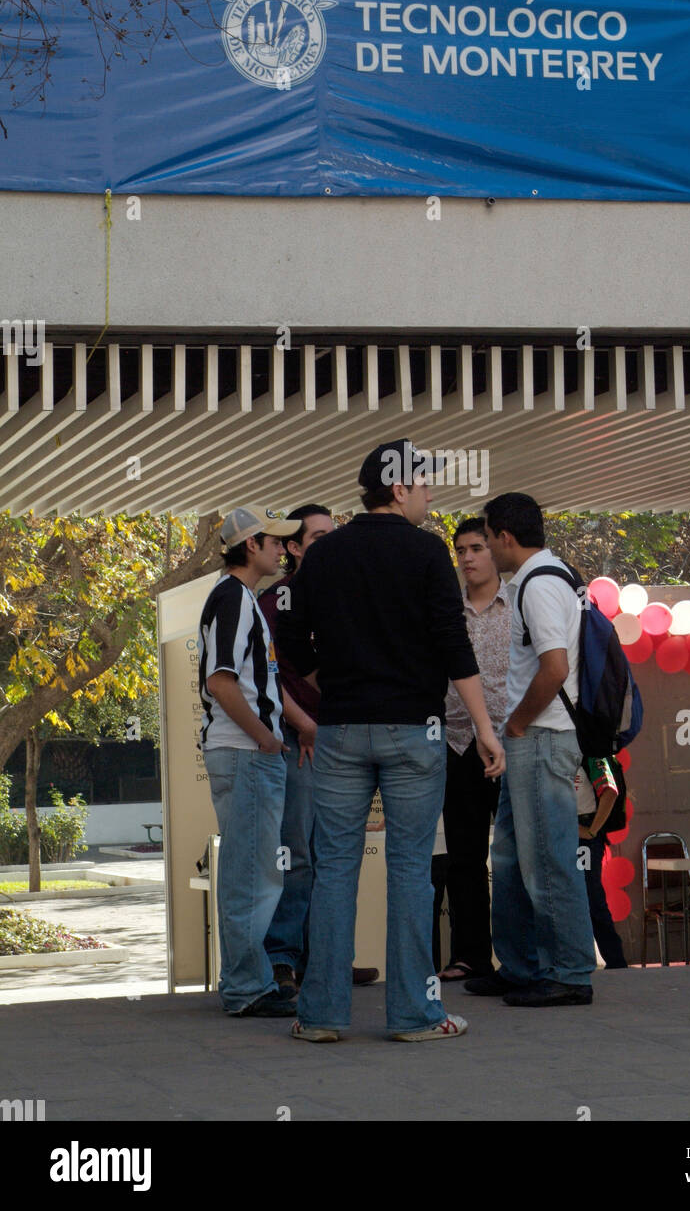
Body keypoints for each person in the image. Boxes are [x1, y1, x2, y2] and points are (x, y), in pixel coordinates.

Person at [276, 439, 505, 1042]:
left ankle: (321, 1015)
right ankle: (415, 1015)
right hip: (415, 731)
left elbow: (293, 646)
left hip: (341, 730)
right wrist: (484, 729)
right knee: (410, 871)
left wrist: (342, 680)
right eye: (425, 484)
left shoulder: (324, 556)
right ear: (399, 488)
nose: (431, 495)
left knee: (334, 871)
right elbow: (455, 647)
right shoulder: (429, 553)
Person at [464, 491, 597, 1008]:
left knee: (547, 859)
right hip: (535, 738)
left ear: (505, 536)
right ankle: (521, 965)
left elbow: (555, 668)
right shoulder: (549, 576)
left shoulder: (539, 585)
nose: (485, 551)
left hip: (541, 737)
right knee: (514, 857)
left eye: (488, 538)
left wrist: (515, 724)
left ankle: (569, 971)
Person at [258, 504, 379, 994]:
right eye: (319, 537)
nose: (330, 545)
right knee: (298, 854)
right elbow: (265, 678)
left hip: (340, 737)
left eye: (335, 535)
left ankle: (326, 959)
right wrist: (304, 724)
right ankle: (282, 959)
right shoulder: (275, 601)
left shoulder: (344, 597)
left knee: (336, 853)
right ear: (293, 546)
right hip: (297, 738)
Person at [197, 505, 300, 1017]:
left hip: (241, 752)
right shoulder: (235, 598)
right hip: (244, 753)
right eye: (274, 541)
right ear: (251, 546)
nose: (283, 548)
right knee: (253, 873)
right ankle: (246, 986)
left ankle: (247, 981)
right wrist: (265, 738)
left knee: (253, 870)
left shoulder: (237, 597)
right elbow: (221, 682)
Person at [439, 517, 511, 983]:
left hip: (512, 742)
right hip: (457, 743)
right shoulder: (447, 609)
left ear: (494, 550)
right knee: (463, 856)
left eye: (476, 548)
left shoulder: (520, 603)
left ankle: (519, 955)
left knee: (513, 855)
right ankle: (470, 956)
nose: (467, 557)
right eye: (461, 549)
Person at [578, 758, 629, 968]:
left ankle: (615, 961)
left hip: (583, 836)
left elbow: (610, 791)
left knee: (590, 896)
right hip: (561, 829)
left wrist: (591, 831)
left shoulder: (591, 754)